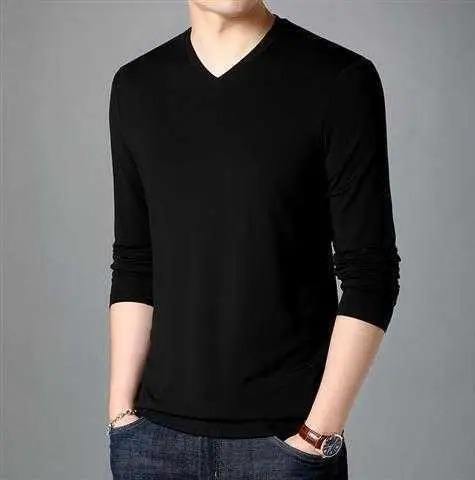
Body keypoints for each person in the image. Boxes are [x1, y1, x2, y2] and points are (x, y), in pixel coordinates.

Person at [106, 1, 401, 479]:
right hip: (153, 446)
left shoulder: (339, 80)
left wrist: (315, 436)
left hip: (286, 447)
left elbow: (372, 275)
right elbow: (136, 263)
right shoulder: (136, 88)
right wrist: (122, 419)